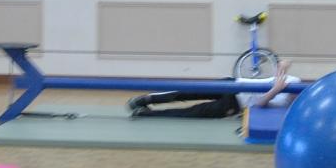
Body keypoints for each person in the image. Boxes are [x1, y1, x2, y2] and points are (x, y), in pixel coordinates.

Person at [127, 61, 298, 118]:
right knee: (186, 92)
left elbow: (259, 107)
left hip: (234, 104)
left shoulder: (287, 108)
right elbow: (284, 63)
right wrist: (282, 68)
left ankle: (146, 113)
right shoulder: (294, 81)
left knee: (190, 113)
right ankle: (147, 99)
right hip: (233, 84)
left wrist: (274, 91)